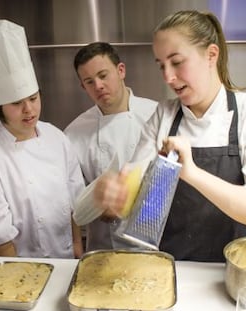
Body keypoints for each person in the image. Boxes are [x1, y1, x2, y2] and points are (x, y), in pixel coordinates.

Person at [74, 10, 246, 262]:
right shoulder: (163, 116)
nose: (168, 77)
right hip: (173, 271)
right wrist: (113, 198)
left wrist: (191, 172)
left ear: (211, 55)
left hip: (236, 272)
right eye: (161, 65)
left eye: (176, 62)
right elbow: (135, 200)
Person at [0, 19, 85, 258]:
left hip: (67, 261)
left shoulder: (56, 137)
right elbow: (0, 239)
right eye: (17, 103)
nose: (29, 110)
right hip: (22, 269)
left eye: (33, 98)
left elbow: (75, 204)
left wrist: (77, 251)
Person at [64, 42, 157, 251]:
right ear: (83, 87)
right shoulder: (73, 134)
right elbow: (73, 201)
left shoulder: (156, 115)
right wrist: (99, 204)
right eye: (89, 81)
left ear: (121, 70)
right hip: (104, 248)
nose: (98, 86)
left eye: (103, 75)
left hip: (157, 244)